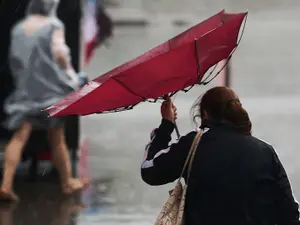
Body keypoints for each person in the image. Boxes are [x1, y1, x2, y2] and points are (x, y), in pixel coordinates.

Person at [141, 86, 300, 225]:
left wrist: (166, 125)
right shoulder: (265, 151)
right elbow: (289, 213)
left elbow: (149, 171)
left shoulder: (193, 145)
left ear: (205, 114)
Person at [0, 0, 88, 201]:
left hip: (25, 90)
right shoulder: (53, 26)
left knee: (19, 136)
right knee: (57, 137)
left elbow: (14, 59)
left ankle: (5, 184)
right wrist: (72, 78)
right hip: (50, 91)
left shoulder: (19, 29)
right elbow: (61, 55)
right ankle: (67, 182)